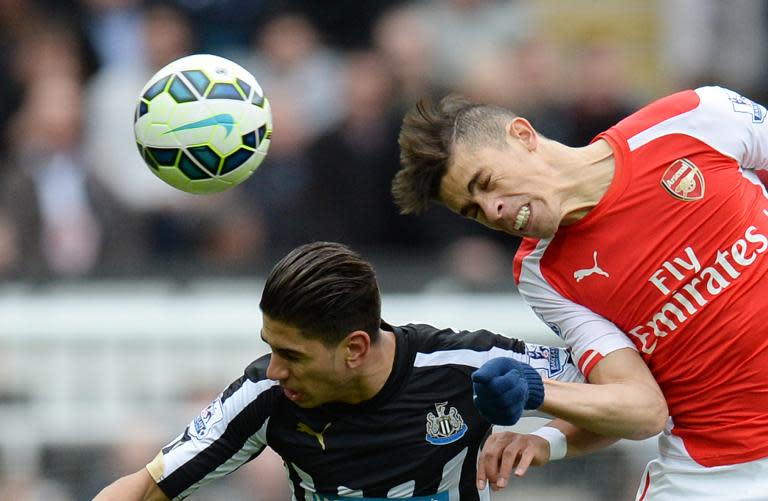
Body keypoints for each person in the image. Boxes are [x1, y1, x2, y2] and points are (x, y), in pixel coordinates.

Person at [393, 86, 768, 500]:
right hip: (719, 476)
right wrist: (536, 400)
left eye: (486, 182)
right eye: (474, 210)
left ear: (522, 135)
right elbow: (643, 410)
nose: (492, 210)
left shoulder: (691, 121)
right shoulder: (542, 274)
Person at [93, 241, 661, 500]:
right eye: (270, 346)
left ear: (355, 348)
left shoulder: (465, 366)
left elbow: (630, 406)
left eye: (292, 354)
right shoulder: (266, 394)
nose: (274, 368)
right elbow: (144, 487)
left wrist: (546, 440)